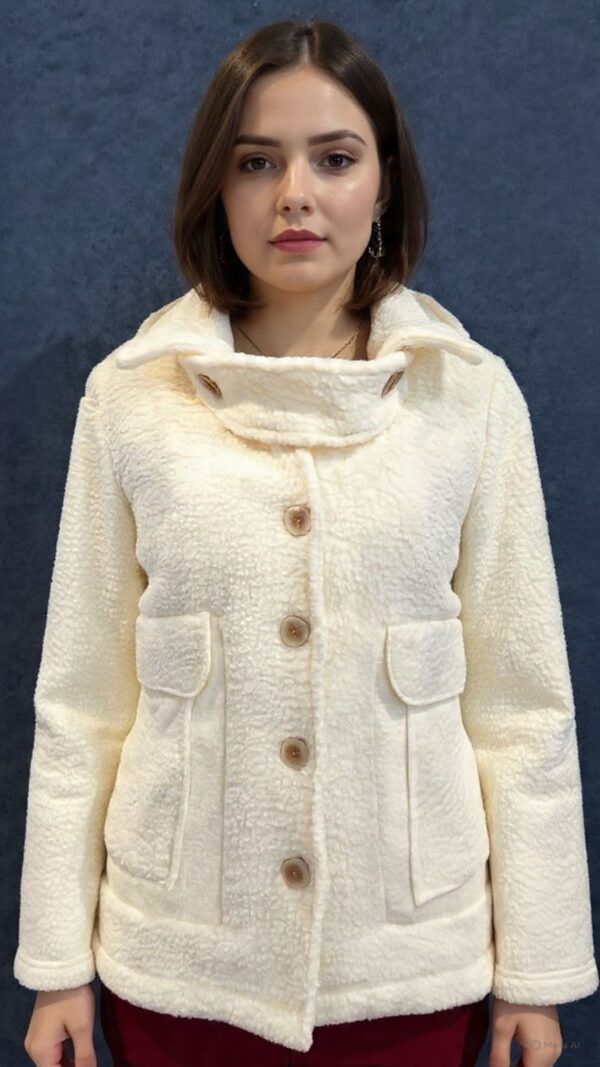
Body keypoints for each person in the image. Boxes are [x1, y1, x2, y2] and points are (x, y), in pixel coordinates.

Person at [16, 17, 598, 1067]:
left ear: (384, 184)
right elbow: (81, 704)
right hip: (182, 968)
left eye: (334, 158)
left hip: (412, 973)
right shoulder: (131, 400)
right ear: (216, 185)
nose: (294, 193)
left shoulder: (468, 398)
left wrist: (537, 970)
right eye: (256, 161)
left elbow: (522, 711)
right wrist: (59, 960)